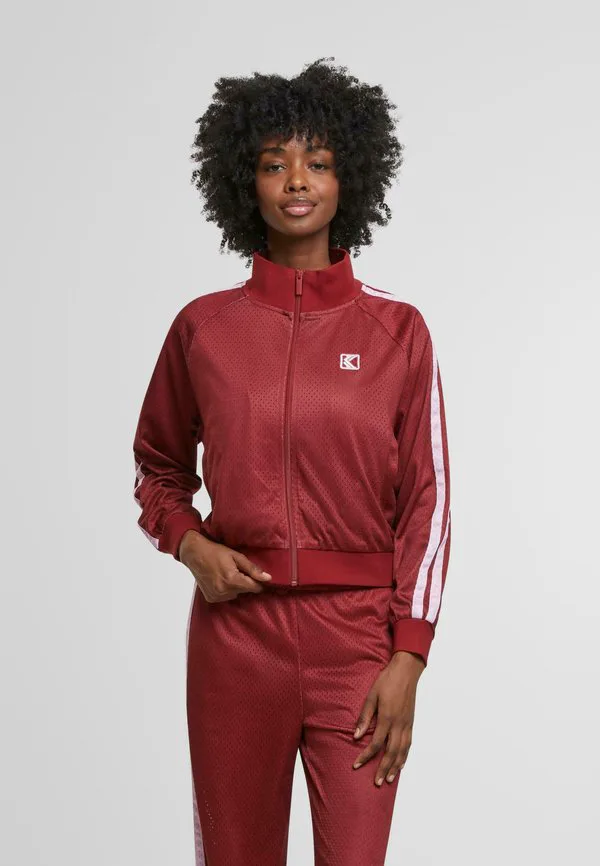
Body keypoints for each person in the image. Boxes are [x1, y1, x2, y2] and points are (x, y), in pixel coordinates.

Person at [132, 57, 451, 866]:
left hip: (360, 645)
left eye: (319, 162)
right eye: (275, 164)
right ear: (246, 181)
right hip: (235, 642)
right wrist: (190, 545)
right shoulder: (204, 329)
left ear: (351, 179)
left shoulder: (398, 332)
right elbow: (156, 465)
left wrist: (408, 655)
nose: (297, 181)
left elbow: (429, 502)